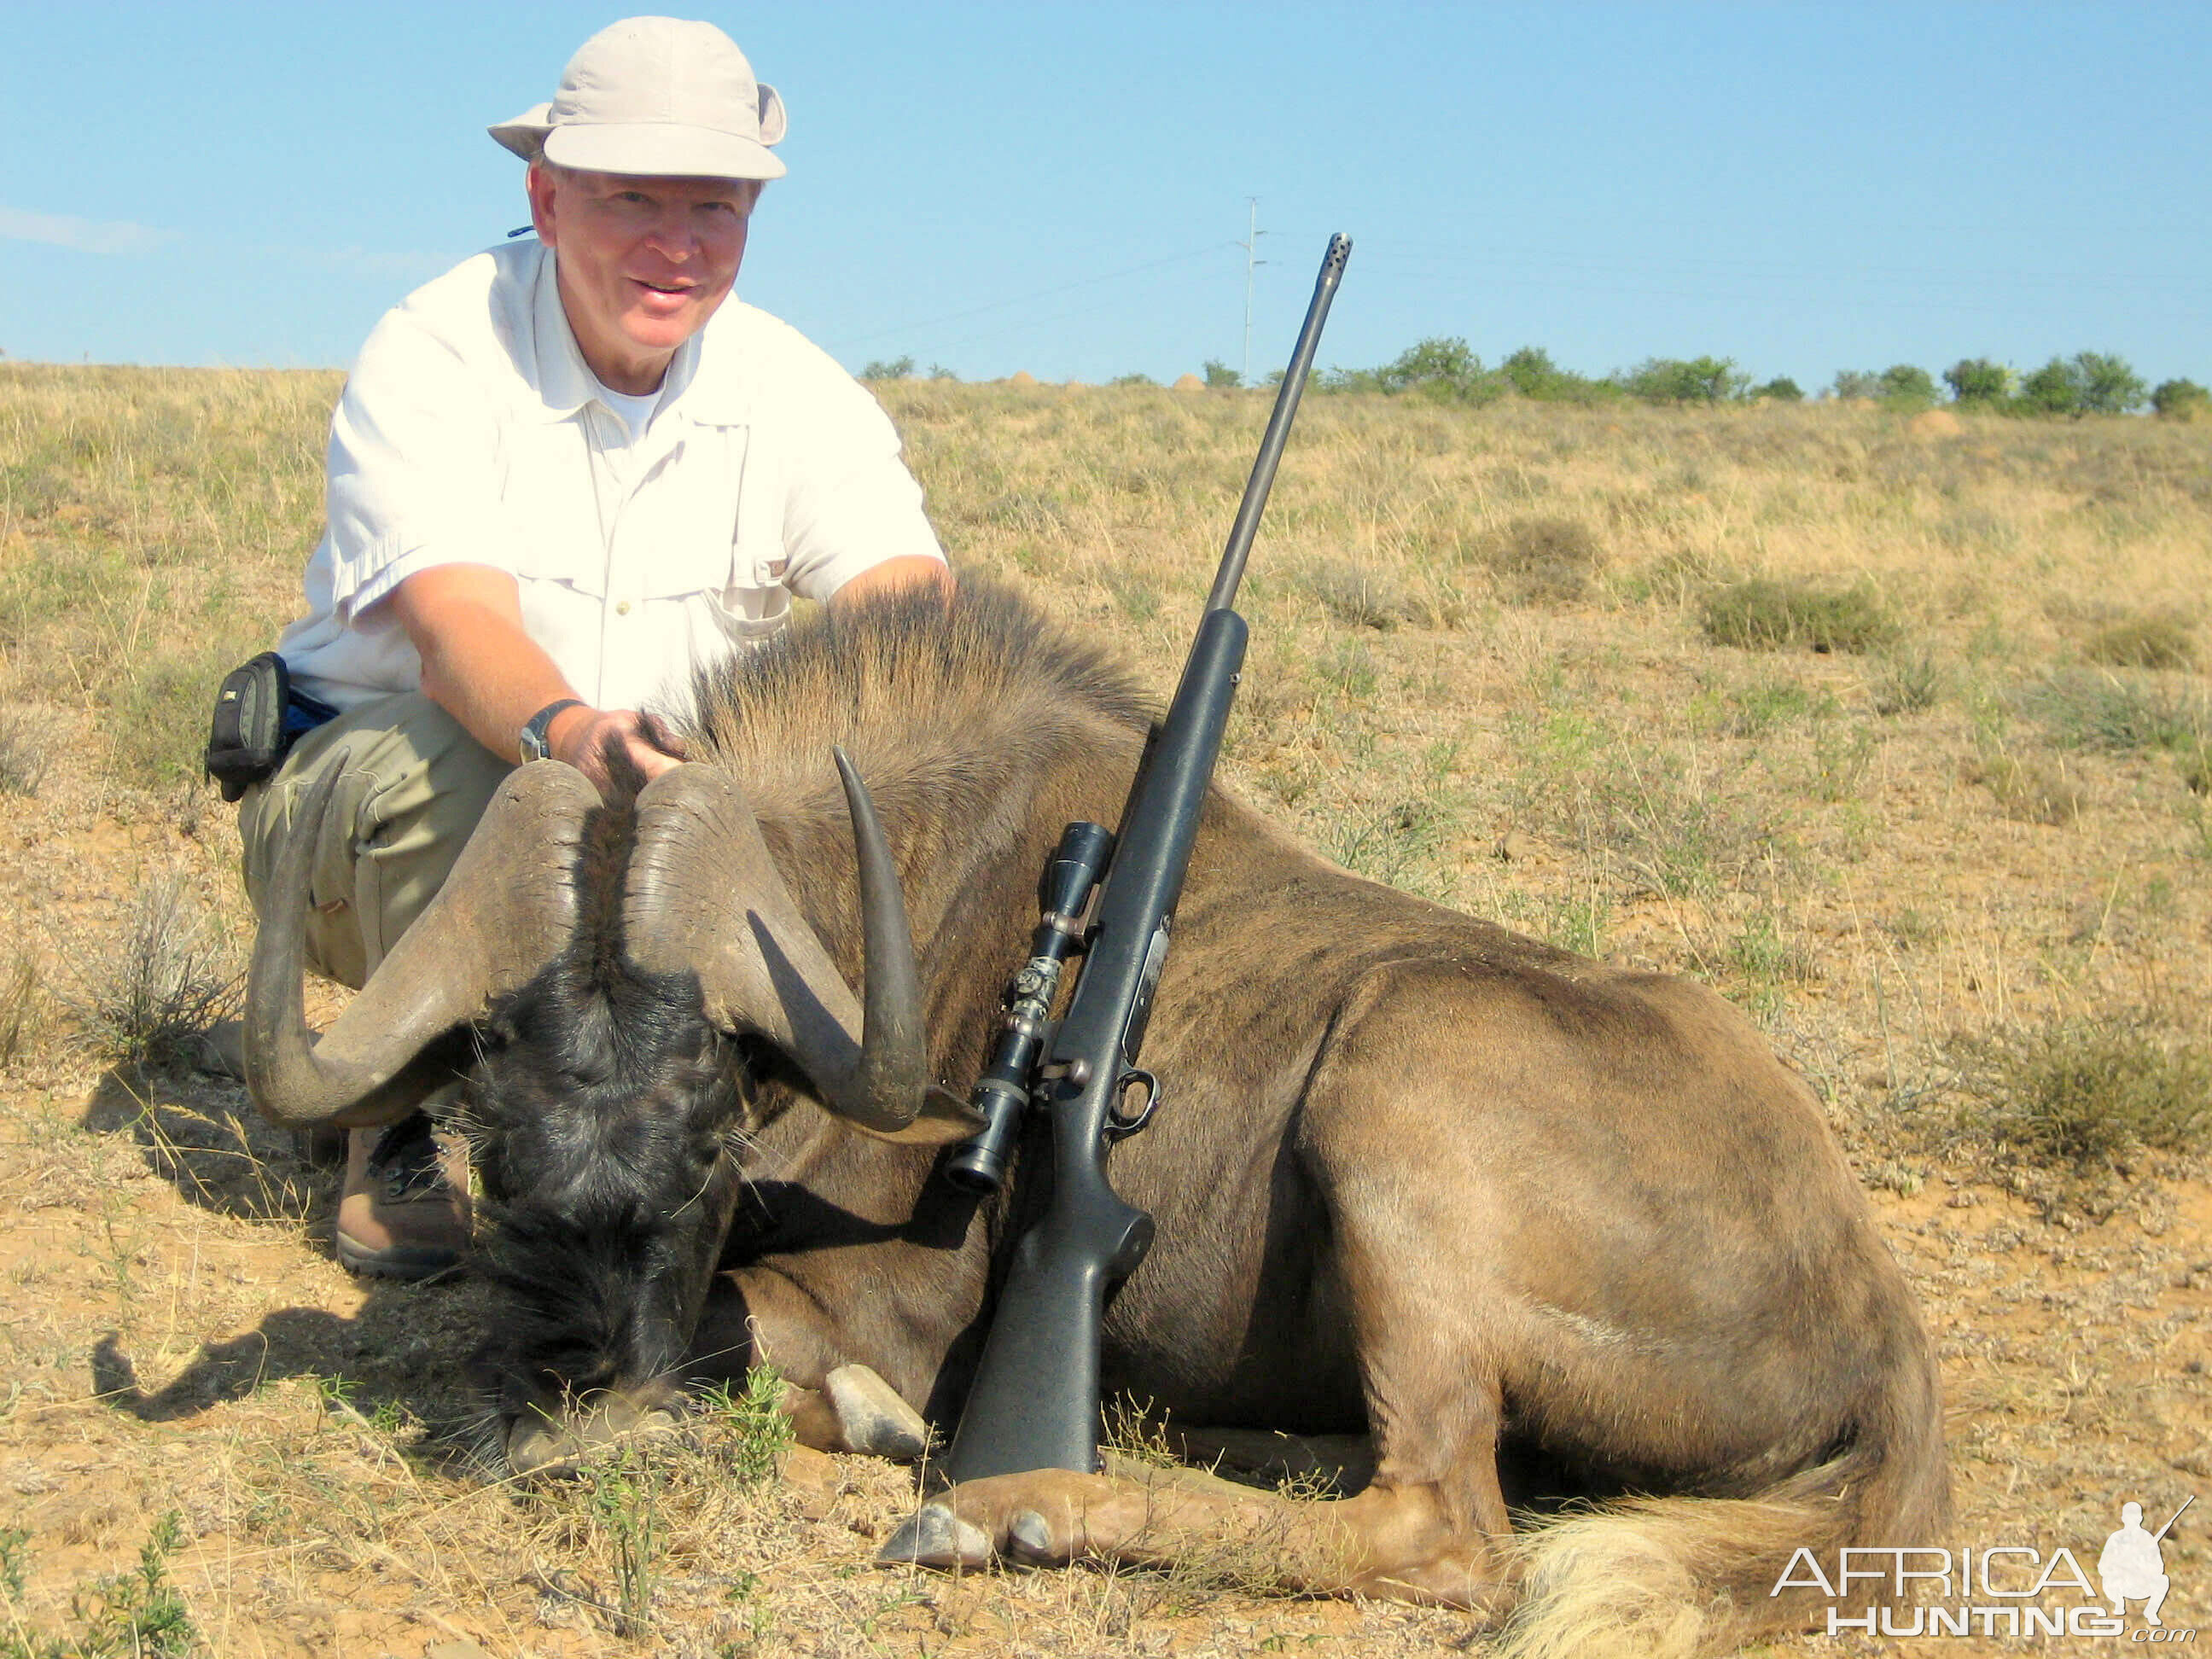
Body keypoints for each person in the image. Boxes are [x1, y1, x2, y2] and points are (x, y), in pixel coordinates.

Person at [231, 18, 952, 1280]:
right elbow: (456, 635)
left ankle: (684, 1111)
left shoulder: (795, 387)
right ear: (545, 198)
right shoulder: (440, 345)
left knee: (829, 794)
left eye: (714, 207)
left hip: (653, 821)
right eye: (632, 198)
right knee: (516, 788)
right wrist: (580, 740)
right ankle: (388, 1115)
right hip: (384, 821)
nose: (677, 244)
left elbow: (912, 613)